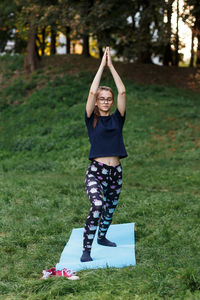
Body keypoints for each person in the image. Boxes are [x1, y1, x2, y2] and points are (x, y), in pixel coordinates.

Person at [80, 46, 128, 262]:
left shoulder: (118, 118)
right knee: (98, 205)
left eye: (109, 98)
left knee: (109, 210)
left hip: (115, 172)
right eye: (103, 98)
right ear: (97, 101)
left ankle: (102, 237)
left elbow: (123, 91)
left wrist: (112, 65)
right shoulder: (92, 119)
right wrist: (102, 65)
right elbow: (91, 91)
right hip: (96, 173)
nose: (107, 101)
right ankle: (86, 250)